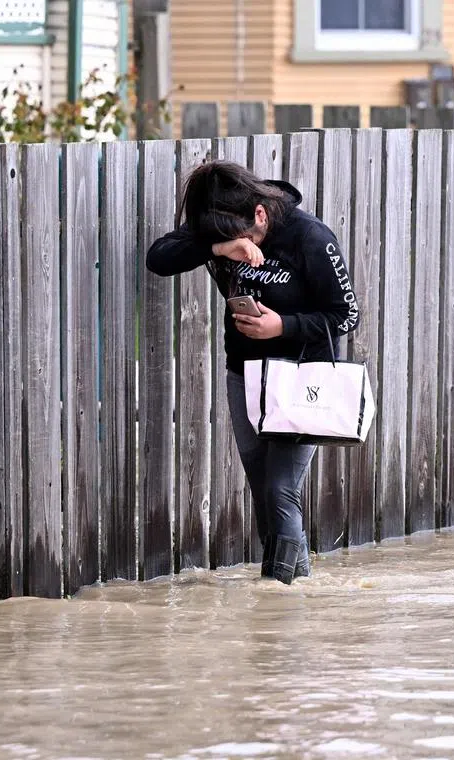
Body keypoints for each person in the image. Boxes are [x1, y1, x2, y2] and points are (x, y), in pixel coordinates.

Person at [146, 161, 359, 585]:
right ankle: (287, 597)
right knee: (265, 493)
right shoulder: (221, 225)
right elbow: (159, 258)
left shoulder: (311, 238)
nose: (241, 245)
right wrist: (219, 249)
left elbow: (346, 314)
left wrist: (281, 326)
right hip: (244, 376)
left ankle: (281, 597)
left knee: (281, 489)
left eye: (245, 237)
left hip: (301, 378)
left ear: (260, 214)